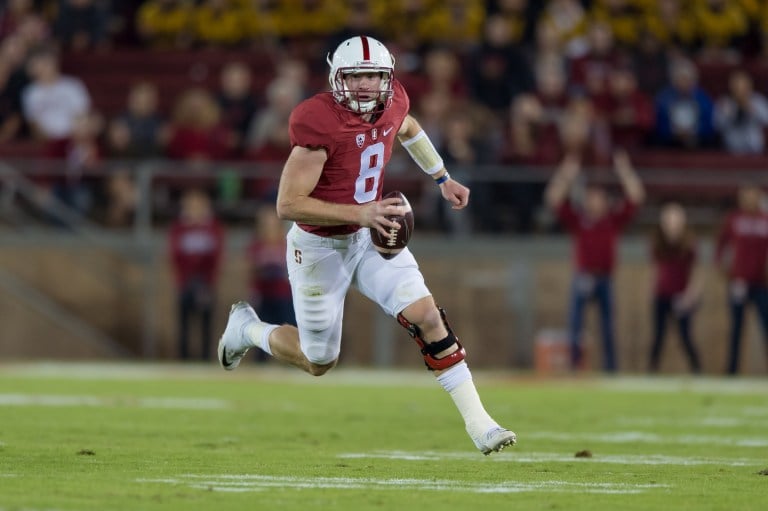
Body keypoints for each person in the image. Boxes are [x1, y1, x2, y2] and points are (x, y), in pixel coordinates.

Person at [217, 35, 516, 456]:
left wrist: (442, 177)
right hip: (318, 246)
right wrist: (361, 213)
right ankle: (247, 329)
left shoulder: (394, 101)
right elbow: (287, 204)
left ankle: (480, 424)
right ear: (337, 79)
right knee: (319, 360)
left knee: (428, 317)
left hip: (370, 237)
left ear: (386, 77)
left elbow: (409, 128)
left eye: (373, 76)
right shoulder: (317, 121)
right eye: (355, 78)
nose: (365, 86)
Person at [545, 149, 645, 371]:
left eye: (599, 197)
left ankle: (611, 369)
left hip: (605, 278)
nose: (595, 202)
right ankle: (575, 366)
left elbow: (636, 197)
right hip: (583, 277)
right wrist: (566, 174)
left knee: (608, 328)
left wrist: (625, 172)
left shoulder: (612, 220)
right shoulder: (579, 219)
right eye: (591, 197)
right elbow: (553, 198)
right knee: (575, 326)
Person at [715, 185, 768, 375]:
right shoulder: (734, 219)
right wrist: (721, 265)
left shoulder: (765, 219)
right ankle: (732, 370)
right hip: (739, 283)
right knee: (736, 329)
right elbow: (721, 244)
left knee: (766, 326)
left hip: (762, 284)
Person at [169, 189, 224, 360]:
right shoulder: (179, 227)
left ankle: (205, 358)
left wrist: (209, 280)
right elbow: (175, 254)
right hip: (186, 282)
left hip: (205, 282)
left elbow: (217, 255)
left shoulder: (213, 226)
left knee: (206, 323)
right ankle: (184, 358)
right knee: (184, 323)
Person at [648, 203, 702, 373]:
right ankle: (652, 369)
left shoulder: (689, 244)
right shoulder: (658, 243)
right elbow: (654, 270)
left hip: (681, 296)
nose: (672, 224)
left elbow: (696, 272)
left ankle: (697, 369)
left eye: (675, 220)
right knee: (658, 336)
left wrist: (691, 295)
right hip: (662, 294)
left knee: (685, 336)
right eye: (669, 221)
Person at [246, 203, 295, 362]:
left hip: (284, 296)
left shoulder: (287, 243)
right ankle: (261, 366)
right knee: (262, 335)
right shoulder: (257, 245)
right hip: (265, 296)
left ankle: (293, 362)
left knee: (288, 334)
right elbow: (251, 271)